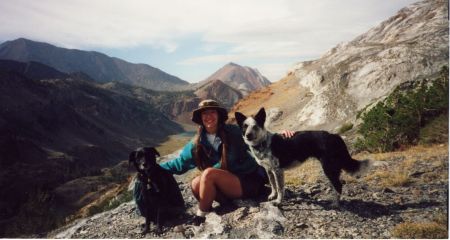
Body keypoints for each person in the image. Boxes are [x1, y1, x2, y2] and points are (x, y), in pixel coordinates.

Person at [159, 99, 293, 223]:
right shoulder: (197, 142)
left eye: (212, 112)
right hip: (226, 185)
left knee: (209, 173)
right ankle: (227, 203)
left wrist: (280, 135)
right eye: (205, 113)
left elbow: (260, 139)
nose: (209, 116)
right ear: (200, 118)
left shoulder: (235, 132)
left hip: (248, 181)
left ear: (218, 115)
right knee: (195, 184)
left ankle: (200, 216)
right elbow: (179, 163)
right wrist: (153, 168)